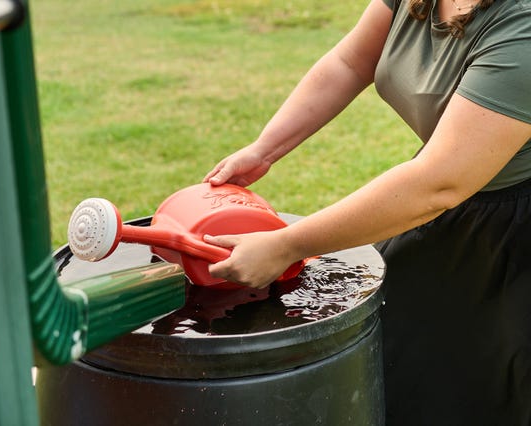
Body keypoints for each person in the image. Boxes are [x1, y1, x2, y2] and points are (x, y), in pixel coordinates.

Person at [201, 0, 531, 423]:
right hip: (451, 201)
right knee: (396, 361)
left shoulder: (521, 26)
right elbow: (349, 63)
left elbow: (440, 182)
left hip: (512, 231)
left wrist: (287, 244)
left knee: (487, 389)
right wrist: (263, 150)